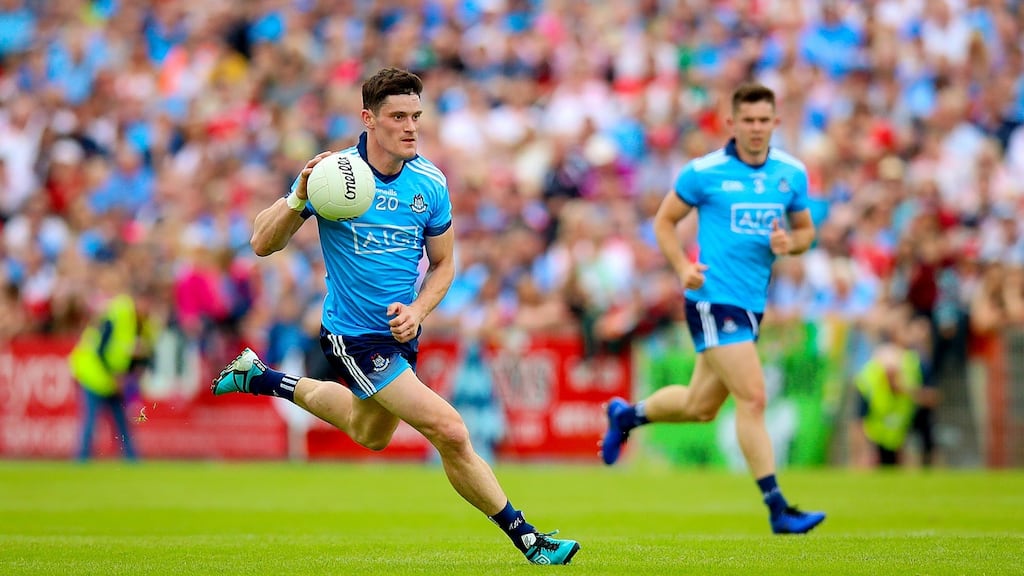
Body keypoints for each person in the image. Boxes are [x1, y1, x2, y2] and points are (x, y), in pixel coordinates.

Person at [211, 68, 579, 565]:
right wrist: (298, 195)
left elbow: (445, 264)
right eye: (398, 117)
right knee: (450, 429)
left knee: (370, 433)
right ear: (368, 118)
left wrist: (419, 310)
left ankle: (260, 377)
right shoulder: (333, 177)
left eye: (416, 116)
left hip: (400, 332)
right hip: (354, 335)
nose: (410, 127)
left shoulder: (430, 182)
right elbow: (260, 243)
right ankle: (529, 540)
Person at [600, 83, 826, 534]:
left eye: (764, 120)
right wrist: (682, 266)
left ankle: (627, 415)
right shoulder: (704, 172)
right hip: (712, 300)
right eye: (748, 120)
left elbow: (806, 232)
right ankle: (778, 507)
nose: (756, 128)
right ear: (732, 123)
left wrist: (791, 243)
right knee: (753, 397)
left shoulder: (790, 174)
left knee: (699, 405)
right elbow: (664, 221)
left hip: (752, 304)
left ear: (776, 122)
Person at [69, 275, 158, 461]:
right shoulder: (118, 313)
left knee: (123, 422)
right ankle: (82, 460)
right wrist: (116, 376)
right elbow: (100, 349)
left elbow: (145, 354)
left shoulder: (145, 322)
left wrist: (132, 375)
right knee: (91, 421)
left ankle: (132, 460)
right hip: (95, 374)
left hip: (117, 380)